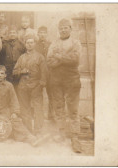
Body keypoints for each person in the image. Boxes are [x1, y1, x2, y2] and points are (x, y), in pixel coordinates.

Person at [47, 18, 82, 153]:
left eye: (65, 27)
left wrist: (59, 57)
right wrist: (64, 58)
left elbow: (76, 59)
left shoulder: (76, 43)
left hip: (72, 80)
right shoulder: (54, 43)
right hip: (56, 81)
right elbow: (49, 61)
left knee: (73, 109)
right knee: (59, 107)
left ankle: (75, 136)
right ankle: (61, 133)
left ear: (70, 29)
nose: (63, 30)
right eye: (61, 28)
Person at [13, 36, 47, 135]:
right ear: (25, 45)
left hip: (36, 85)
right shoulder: (21, 57)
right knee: (24, 108)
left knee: (38, 108)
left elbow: (44, 72)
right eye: (27, 43)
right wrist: (21, 71)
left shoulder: (40, 57)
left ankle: (38, 130)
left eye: (31, 42)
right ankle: (27, 130)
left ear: (35, 44)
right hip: (23, 85)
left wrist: (41, 84)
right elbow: (14, 71)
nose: (29, 44)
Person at [35, 26, 54, 120]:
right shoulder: (35, 45)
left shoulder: (51, 45)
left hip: (50, 73)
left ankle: (51, 115)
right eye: (40, 33)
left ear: (47, 34)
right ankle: (39, 116)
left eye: (44, 33)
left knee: (52, 94)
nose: (42, 35)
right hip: (39, 74)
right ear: (38, 34)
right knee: (38, 95)